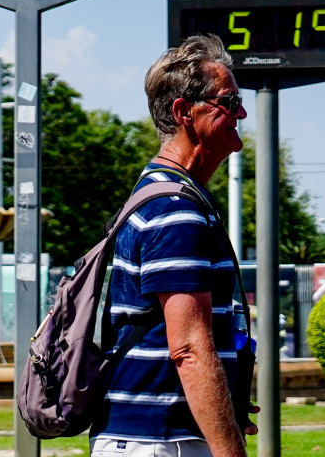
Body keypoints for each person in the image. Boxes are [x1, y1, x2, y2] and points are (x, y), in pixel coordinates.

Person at [89, 34, 258, 457]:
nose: (241, 112)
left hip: (156, 438)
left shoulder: (161, 194)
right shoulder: (174, 210)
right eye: (229, 102)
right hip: (162, 441)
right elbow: (189, 348)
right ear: (184, 112)